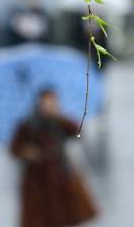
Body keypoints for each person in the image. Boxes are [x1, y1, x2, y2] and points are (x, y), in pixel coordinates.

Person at [10, 89, 98, 227]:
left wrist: (59, 117)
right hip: (37, 177)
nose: (49, 105)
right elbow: (15, 149)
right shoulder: (28, 125)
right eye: (46, 102)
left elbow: (77, 132)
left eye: (52, 101)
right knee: (41, 217)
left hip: (61, 171)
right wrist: (27, 152)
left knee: (67, 214)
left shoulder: (60, 121)